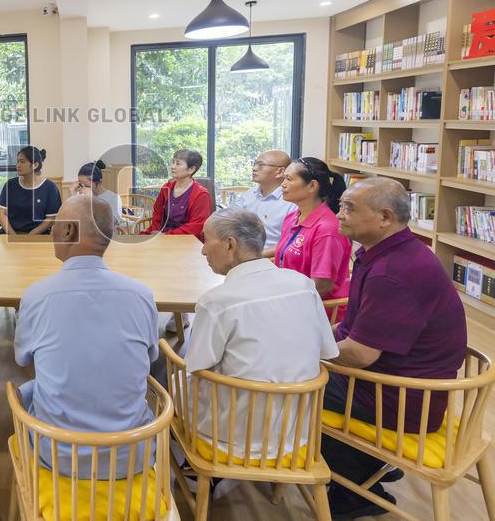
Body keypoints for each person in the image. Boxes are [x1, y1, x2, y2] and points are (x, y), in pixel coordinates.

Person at [323, 177, 467, 518]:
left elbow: (360, 354)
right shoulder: (389, 253)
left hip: (400, 398)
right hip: (399, 384)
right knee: (294, 365)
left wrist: (302, 346)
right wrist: (312, 335)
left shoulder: (392, 272)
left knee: (288, 381)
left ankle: (355, 489)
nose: (338, 214)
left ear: (385, 217)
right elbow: (351, 328)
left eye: (348, 208)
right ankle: (365, 468)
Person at [15, 196, 159, 477]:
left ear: (68, 231)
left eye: (56, 223)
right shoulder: (141, 295)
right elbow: (150, 358)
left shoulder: (38, 295)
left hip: (58, 454)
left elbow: (23, 360)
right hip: (131, 454)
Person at [187, 209, 337, 461]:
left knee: (169, 379)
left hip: (234, 436)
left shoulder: (217, 301)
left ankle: (185, 472)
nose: (202, 250)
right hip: (296, 431)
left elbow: (197, 365)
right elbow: (327, 351)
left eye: (206, 240)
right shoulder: (302, 285)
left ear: (230, 244)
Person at [275, 157, 351, 323]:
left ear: (312, 186)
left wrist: (279, 297)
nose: (282, 184)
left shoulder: (327, 229)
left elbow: (322, 285)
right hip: (290, 301)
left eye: (289, 179)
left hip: (317, 312)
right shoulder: (293, 217)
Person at [235, 150, 296, 257]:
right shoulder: (249, 194)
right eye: (254, 163)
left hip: (271, 259)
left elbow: (292, 242)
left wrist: (254, 256)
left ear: (280, 172)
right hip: (243, 254)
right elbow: (234, 224)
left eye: (261, 165)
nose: (254, 168)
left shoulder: (292, 202)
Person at [142, 149, 212, 242]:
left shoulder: (201, 194)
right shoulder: (167, 187)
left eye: (178, 164)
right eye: (173, 162)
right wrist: (156, 232)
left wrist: (166, 236)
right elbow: (157, 212)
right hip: (162, 237)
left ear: (191, 169)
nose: (172, 166)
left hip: (186, 241)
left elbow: (196, 227)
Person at [0, 146, 62, 234]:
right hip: (10, 234)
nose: (18, 165)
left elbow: (51, 218)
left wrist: (31, 235)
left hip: (38, 235)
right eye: (18, 161)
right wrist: (13, 236)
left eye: (22, 162)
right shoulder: (10, 185)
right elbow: (2, 214)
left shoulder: (50, 187)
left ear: (35, 165)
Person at [69, 159, 122, 227]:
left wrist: (91, 201)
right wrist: (72, 198)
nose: (83, 189)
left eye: (87, 186)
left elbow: (109, 225)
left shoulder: (114, 198)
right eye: (81, 185)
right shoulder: (81, 196)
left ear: (99, 182)